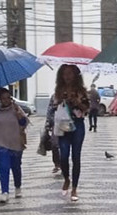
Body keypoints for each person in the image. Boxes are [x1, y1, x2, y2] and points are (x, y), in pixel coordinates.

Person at [47, 64, 89, 202]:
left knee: (76, 156)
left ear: (75, 75)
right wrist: (60, 101)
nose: (67, 76)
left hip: (77, 125)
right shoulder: (59, 90)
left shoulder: (81, 91)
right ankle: (66, 178)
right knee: (63, 155)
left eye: (70, 73)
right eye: (65, 74)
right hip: (63, 126)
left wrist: (77, 101)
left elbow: (86, 109)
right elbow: (53, 107)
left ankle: (75, 188)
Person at [0, 87, 28, 204]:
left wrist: (19, 114)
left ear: (11, 98)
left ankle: (18, 187)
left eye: (8, 98)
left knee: (16, 167)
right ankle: (4, 192)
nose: (6, 100)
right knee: (3, 167)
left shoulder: (17, 110)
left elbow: (24, 124)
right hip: (0, 144)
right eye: (3, 98)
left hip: (15, 143)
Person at [44, 93, 61, 174]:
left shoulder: (69, 95)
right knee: (54, 144)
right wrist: (47, 123)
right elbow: (49, 109)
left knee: (64, 146)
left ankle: (64, 164)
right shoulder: (54, 96)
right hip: (55, 123)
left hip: (67, 124)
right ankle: (57, 164)